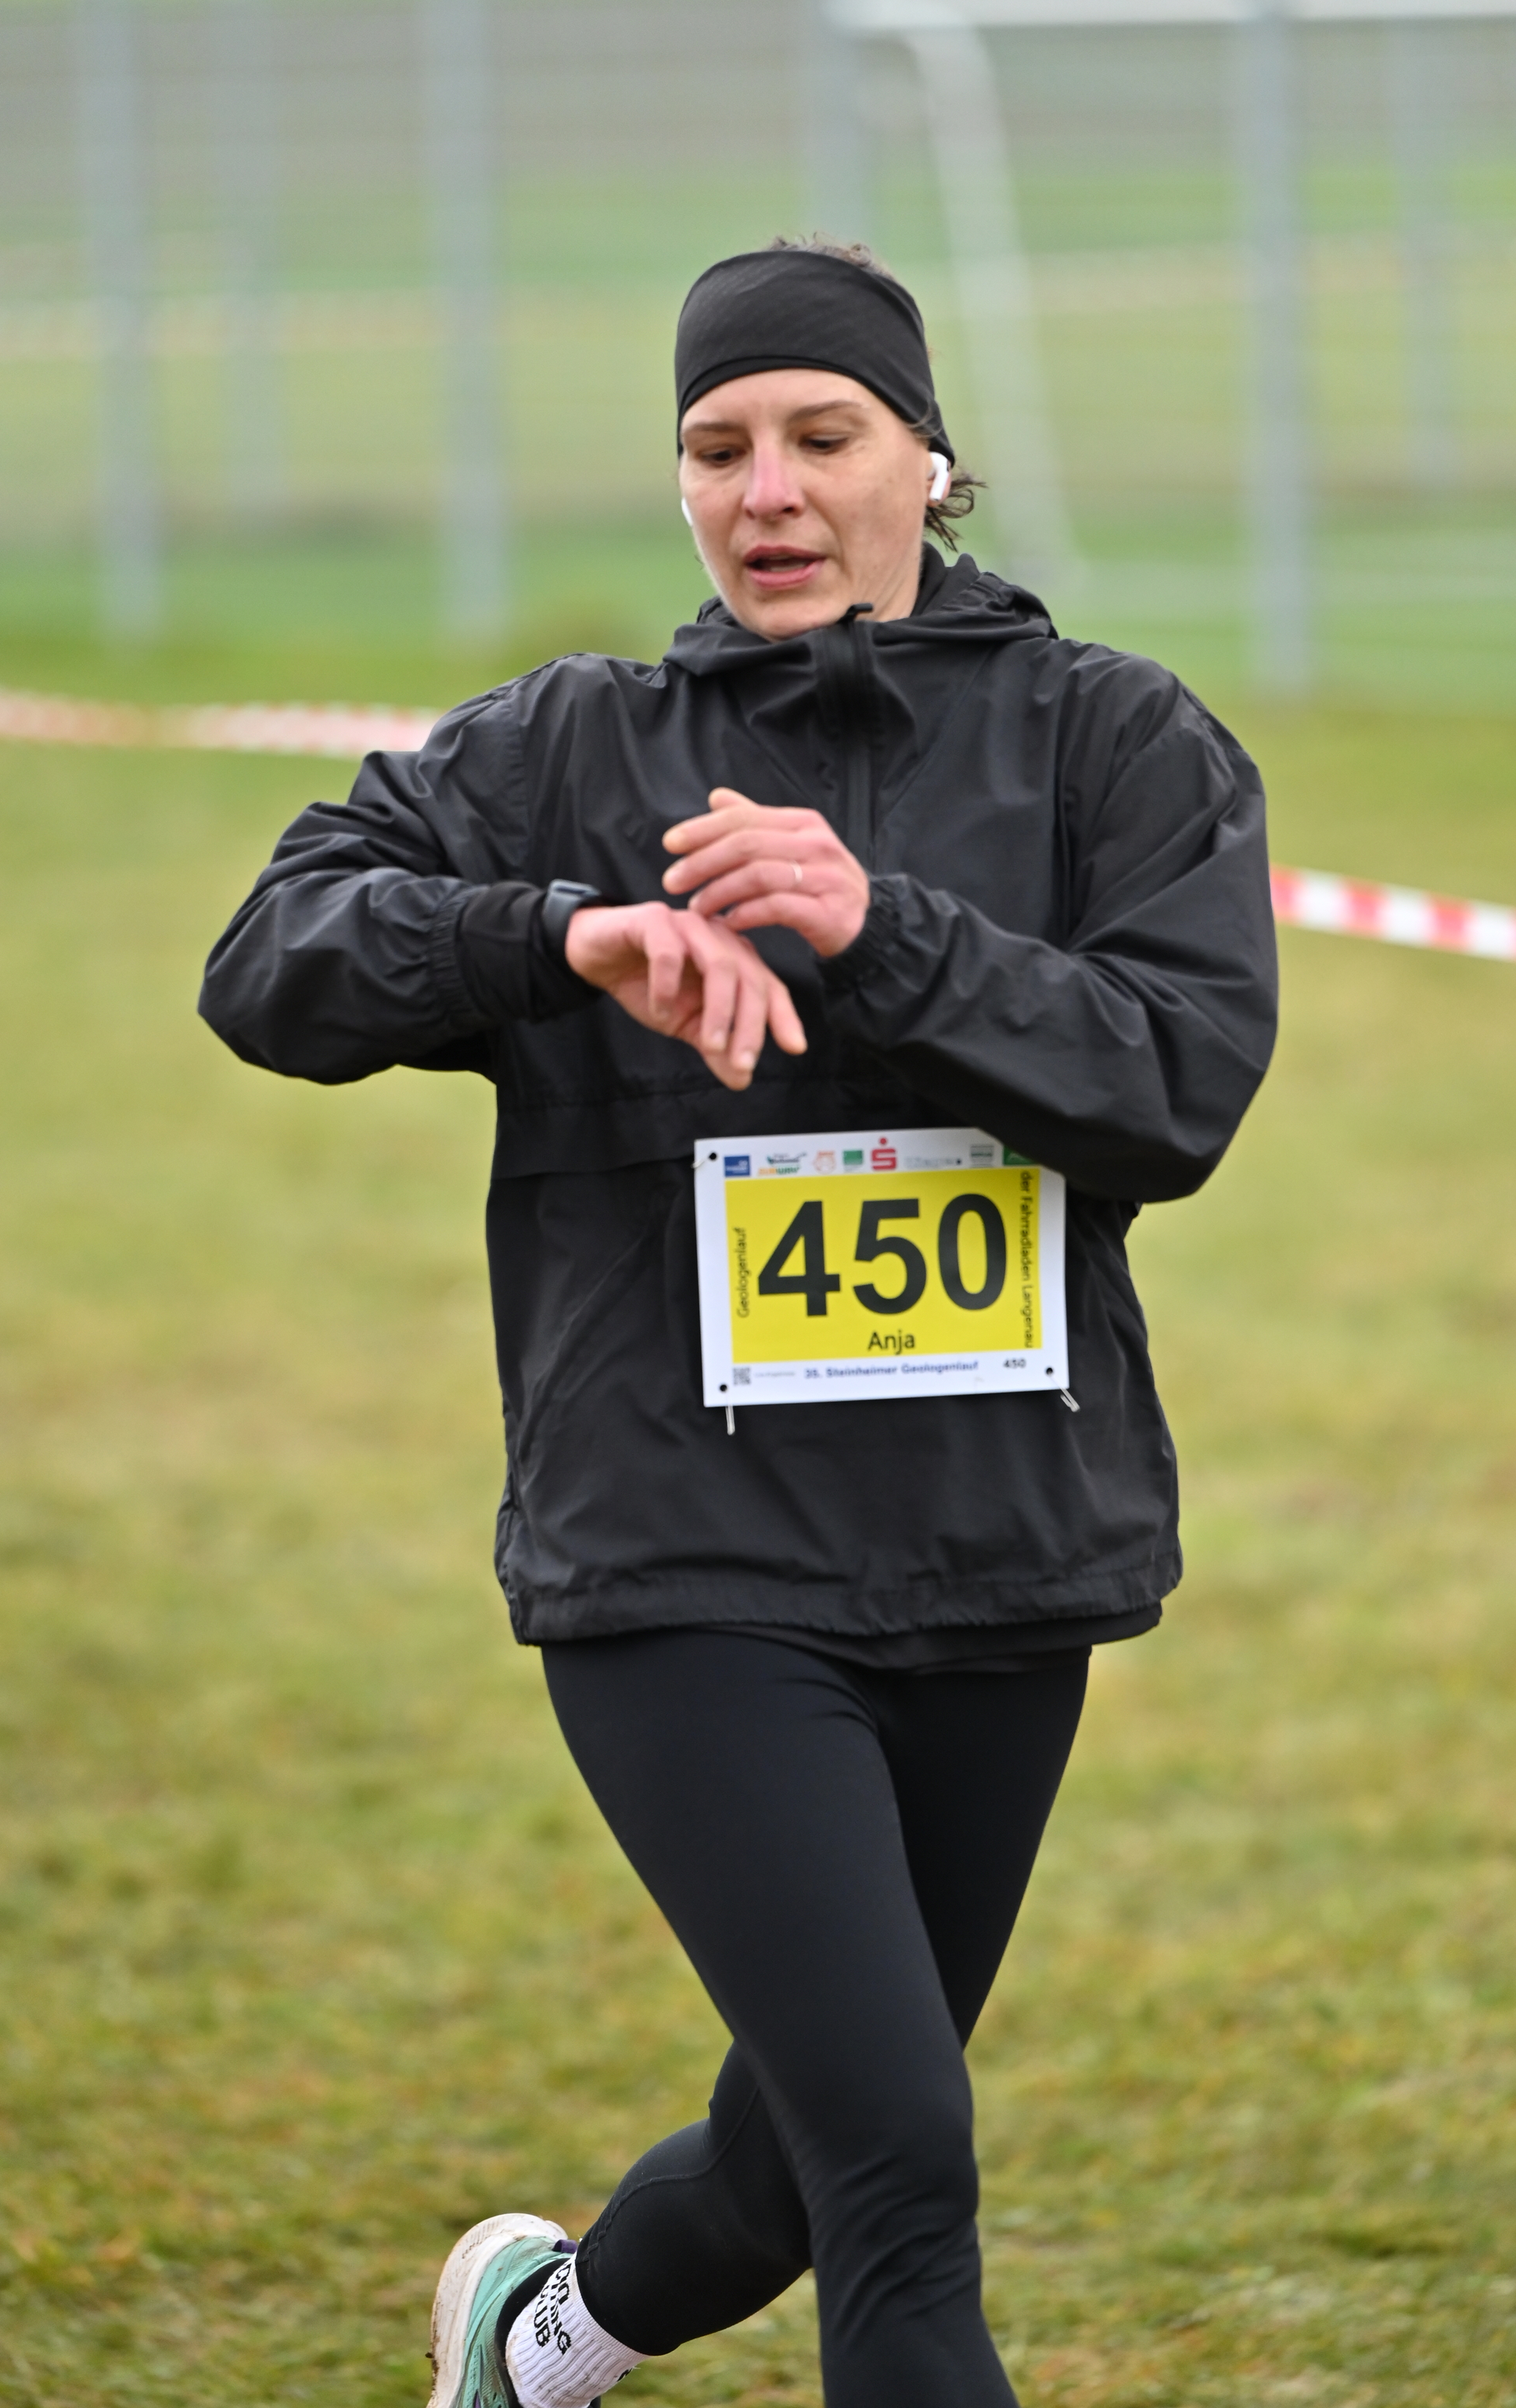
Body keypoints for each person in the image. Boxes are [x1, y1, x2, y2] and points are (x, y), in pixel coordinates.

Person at [199, 237, 1278, 2408]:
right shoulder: (573, 748)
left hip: (999, 1556)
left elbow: (1179, 1087)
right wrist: (550, 936)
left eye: (821, 435)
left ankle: (539, 2343)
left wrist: (889, 937)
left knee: (796, 2160)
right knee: (899, 2172)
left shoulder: (1112, 739)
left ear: (928, 459)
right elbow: (268, 959)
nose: (765, 489)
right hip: (680, 1553)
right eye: (716, 447)